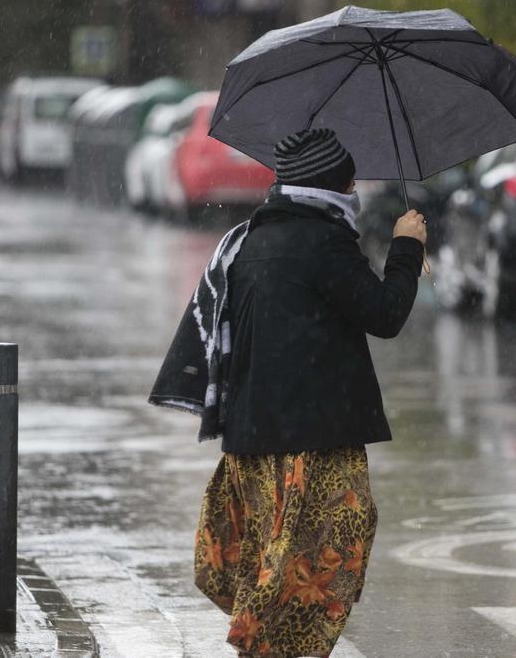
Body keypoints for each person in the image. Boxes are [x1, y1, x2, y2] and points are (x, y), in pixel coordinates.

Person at [153, 128, 426, 657]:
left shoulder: (252, 238)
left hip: (252, 439)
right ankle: (259, 644)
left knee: (273, 558)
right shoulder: (323, 242)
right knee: (318, 557)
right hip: (314, 442)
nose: (356, 190)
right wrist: (407, 249)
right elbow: (385, 313)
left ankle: (265, 643)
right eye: (350, 180)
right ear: (331, 185)